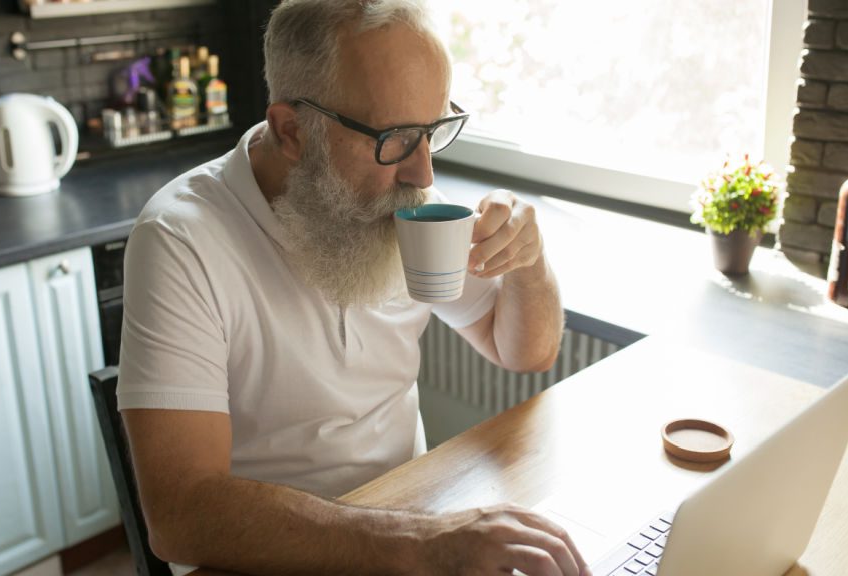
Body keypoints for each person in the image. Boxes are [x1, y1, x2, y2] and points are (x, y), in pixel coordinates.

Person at [118, 1, 585, 574]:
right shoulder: (181, 237)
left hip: (409, 515)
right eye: (394, 139)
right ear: (292, 130)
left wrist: (529, 264)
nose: (424, 175)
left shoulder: (401, 202)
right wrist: (420, 542)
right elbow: (180, 516)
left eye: (433, 131)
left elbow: (524, 350)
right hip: (268, 557)